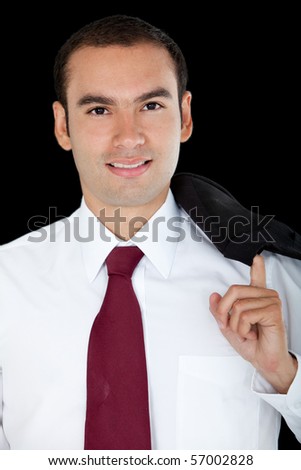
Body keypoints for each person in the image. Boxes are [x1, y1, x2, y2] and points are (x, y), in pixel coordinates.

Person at [0, 14, 300, 450]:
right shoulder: (4, 281)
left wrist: (285, 376)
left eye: (151, 106)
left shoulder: (271, 280)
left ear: (185, 117)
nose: (129, 137)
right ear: (63, 126)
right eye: (100, 109)